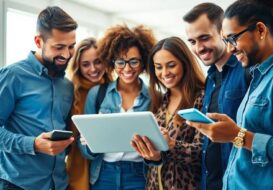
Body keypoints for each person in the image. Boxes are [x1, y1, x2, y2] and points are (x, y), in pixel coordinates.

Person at [189, 0, 273, 189]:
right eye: (226, 41)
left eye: (233, 39)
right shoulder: (259, 74)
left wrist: (238, 136)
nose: (230, 48)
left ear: (260, 30)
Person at [0, 6, 77, 190]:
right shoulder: (12, 76)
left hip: (58, 184)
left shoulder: (67, 86)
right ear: (38, 41)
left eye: (71, 46)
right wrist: (33, 144)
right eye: (59, 47)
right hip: (17, 185)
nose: (66, 55)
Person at [78, 24, 156, 190]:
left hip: (139, 175)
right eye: (121, 62)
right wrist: (89, 144)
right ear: (112, 62)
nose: (127, 68)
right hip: (103, 174)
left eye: (134, 61)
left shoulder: (155, 97)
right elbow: (84, 149)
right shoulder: (97, 94)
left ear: (143, 63)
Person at [182, 3, 249, 189]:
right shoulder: (209, 79)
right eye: (192, 42)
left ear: (223, 33)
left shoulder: (247, 70)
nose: (199, 48)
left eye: (204, 38)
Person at [131, 36, 205, 190]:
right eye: (158, 67)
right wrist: (153, 156)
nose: (164, 73)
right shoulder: (160, 101)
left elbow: (203, 152)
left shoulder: (201, 99)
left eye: (171, 65)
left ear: (185, 64)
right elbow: (158, 158)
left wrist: (171, 145)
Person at [66, 37, 113, 190]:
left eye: (98, 61)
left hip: (108, 165)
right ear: (78, 66)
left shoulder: (114, 90)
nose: (93, 69)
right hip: (79, 164)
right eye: (85, 64)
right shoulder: (71, 92)